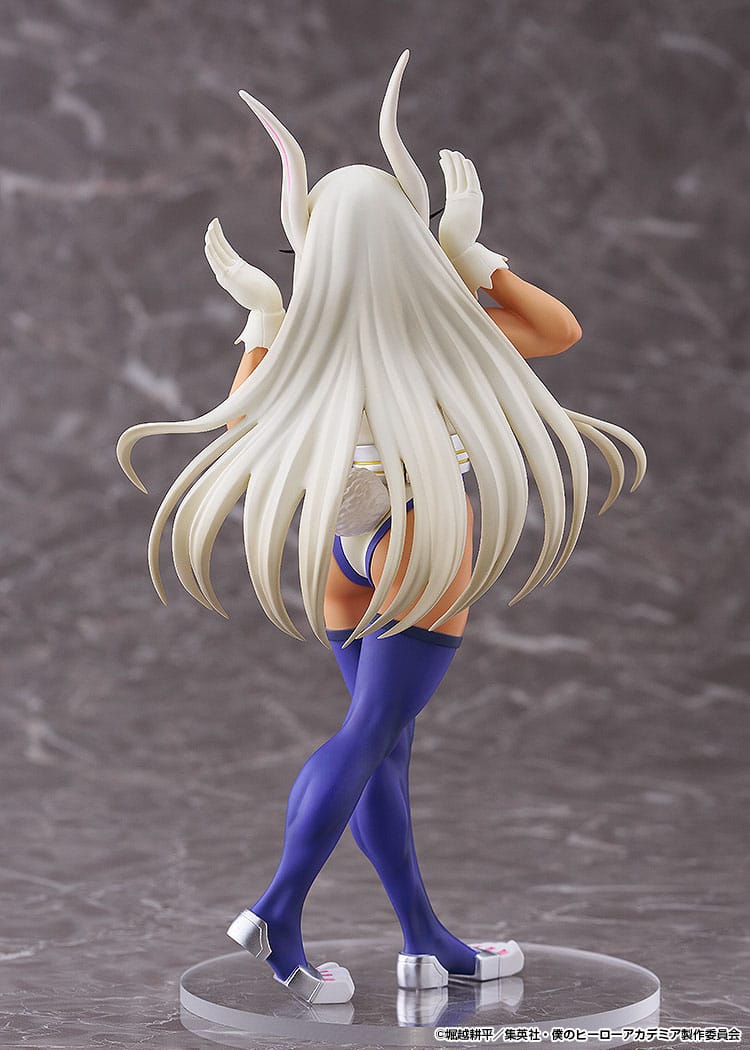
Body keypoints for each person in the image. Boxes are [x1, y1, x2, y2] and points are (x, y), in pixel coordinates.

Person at [117, 52, 645, 1005]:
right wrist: (469, 254)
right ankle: (276, 907)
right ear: (408, 242)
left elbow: (239, 423)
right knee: (370, 733)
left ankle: (424, 942)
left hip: (345, 547)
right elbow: (558, 330)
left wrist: (264, 314)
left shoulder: (304, 341)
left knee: (384, 749)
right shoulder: (447, 333)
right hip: (420, 532)